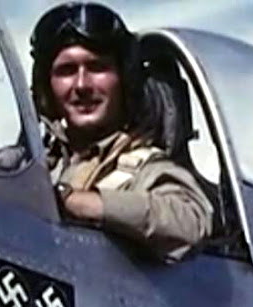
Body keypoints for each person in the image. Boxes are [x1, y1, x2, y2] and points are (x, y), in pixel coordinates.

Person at [28, 2, 213, 262]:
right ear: (47, 89)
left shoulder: (149, 170)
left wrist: (81, 203)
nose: (81, 85)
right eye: (66, 71)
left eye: (97, 67)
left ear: (126, 81)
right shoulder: (35, 166)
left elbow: (191, 221)